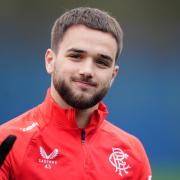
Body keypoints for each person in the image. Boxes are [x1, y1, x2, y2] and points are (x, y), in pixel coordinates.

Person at [0, 7, 152, 180]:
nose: (87, 70)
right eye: (76, 56)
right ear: (51, 61)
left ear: (113, 75)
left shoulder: (132, 153)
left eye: (101, 62)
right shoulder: (7, 142)